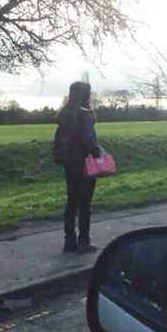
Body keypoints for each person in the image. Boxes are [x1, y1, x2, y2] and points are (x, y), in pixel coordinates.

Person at [55, 81, 101, 253]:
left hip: (69, 162)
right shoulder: (85, 114)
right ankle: (84, 240)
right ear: (85, 95)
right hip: (84, 163)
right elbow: (88, 140)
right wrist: (98, 153)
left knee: (72, 201)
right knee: (85, 204)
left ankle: (69, 240)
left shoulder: (65, 114)